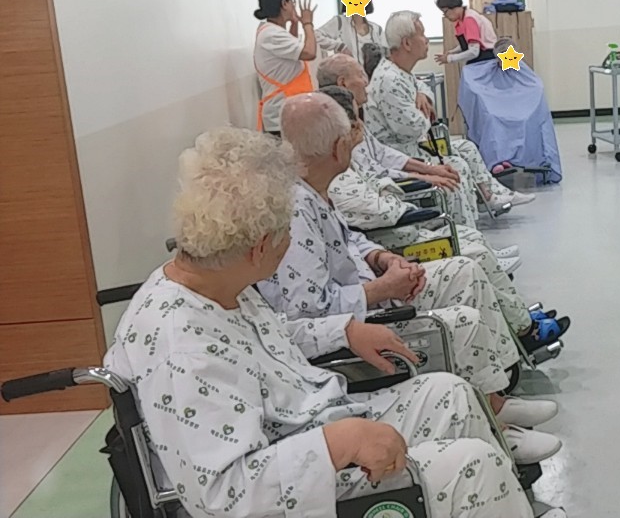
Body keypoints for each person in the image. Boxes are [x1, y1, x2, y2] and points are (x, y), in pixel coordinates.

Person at [104, 127, 557, 518]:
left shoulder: (218, 283)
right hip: (294, 481)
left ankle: (503, 500)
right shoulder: (181, 349)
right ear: (260, 248)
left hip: (309, 419)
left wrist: (344, 331)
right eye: (286, 232)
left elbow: (269, 335)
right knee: (471, 467)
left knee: (449, 394)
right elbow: (224, 495)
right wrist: (335, 444)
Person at [260, 93, 563, 463]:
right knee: (462, 320)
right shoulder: (296, 211)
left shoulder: (314, 189)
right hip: (358, 319)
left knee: (463, 271)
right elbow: (311, 310)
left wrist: (383, 257)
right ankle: (496, 421)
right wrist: (381, 289)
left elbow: (351, 238)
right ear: (339, 147)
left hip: (374, 283)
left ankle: (496, 397)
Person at [317, 84, 572, 352]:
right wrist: (401, 186)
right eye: (355, 122)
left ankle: (518, 321)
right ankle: (523, 329)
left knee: (472, 234)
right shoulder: (337, 180)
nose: (361, 126)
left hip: (385, 250)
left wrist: (414, 177)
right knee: (473, 256)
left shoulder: (343, 164)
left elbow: (380, 173)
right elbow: (384, 204)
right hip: (392, 246)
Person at [365, 10, 535, 211]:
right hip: (402, 153)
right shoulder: (389, 80)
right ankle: (465, 224)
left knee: (467, 148)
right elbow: (414, 128)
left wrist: (422, 94)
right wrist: (425, 109)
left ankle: (491, 196)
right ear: (407, 43)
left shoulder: (401, 72)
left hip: (414, 145)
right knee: (457, 167)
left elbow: (423, 88)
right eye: (422, 34)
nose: (427, 40)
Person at [318, 53, 492, 232]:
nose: (366, 81)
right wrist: (426, 176)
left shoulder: (355, 112)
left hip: (393, 180)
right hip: (388, 202)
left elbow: (381, 153)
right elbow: (378, 170)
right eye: (360, 75)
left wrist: (431, 169)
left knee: (455, 165)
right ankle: (466, 234)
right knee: (452, 180)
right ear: (343, 83)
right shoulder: (342, 130)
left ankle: (480, 216)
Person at [435, 0, 562, 184]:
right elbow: (467, 45)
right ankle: (501, 157)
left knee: (491, 113)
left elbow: (473, 51)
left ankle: (501, 157)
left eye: (445, 12)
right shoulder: (465, 20)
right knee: (492, 114)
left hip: (483, 66)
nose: (446, 16)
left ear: (453, 8)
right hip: (484, 70)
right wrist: (450, 53)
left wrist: (450, 58)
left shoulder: (470, 20)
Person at [317, 0, 436, 120]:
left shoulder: (376, 29)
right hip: (352, 85)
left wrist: (418, 91)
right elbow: (316, 35)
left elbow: (392, 60)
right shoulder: (339, 22)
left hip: (374, 86)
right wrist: (338, 45)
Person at [252, 0, 317, 136]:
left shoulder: (273, 31)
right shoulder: (271, 34)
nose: (294, 5)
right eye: (291, 1)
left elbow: (290, 52)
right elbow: (309, 52)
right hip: (280, 114)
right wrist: (308, 24)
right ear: (284, 4)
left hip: (289, 110)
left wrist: (294, 23)